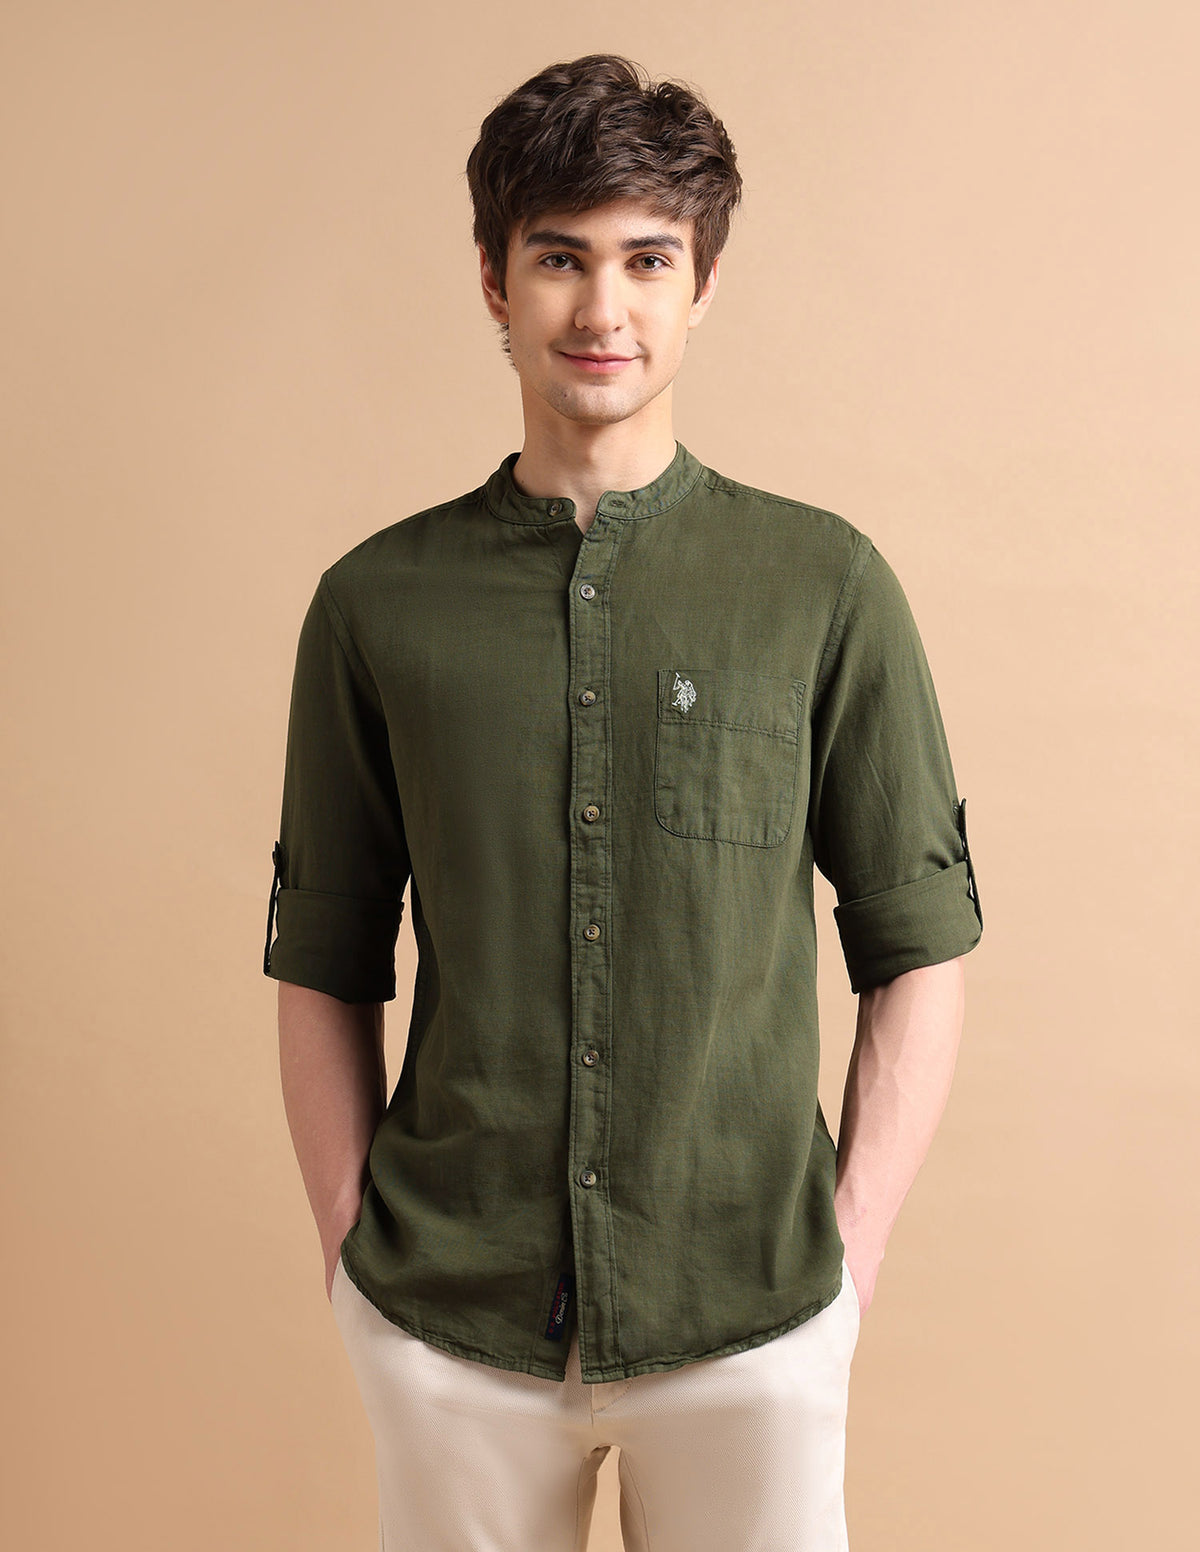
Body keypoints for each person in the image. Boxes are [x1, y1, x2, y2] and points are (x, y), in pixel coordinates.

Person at [263, 51, 983, 1552]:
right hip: (451, 1315)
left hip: (751, 1313)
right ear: (492, 278)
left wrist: (848, 1266)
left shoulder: (823, 585)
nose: (604, 309)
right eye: (560, 259)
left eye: (648, 260)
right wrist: (348, 1256)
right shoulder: (375, 603)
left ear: (703, 282)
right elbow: (323, 955)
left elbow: (919, 942)